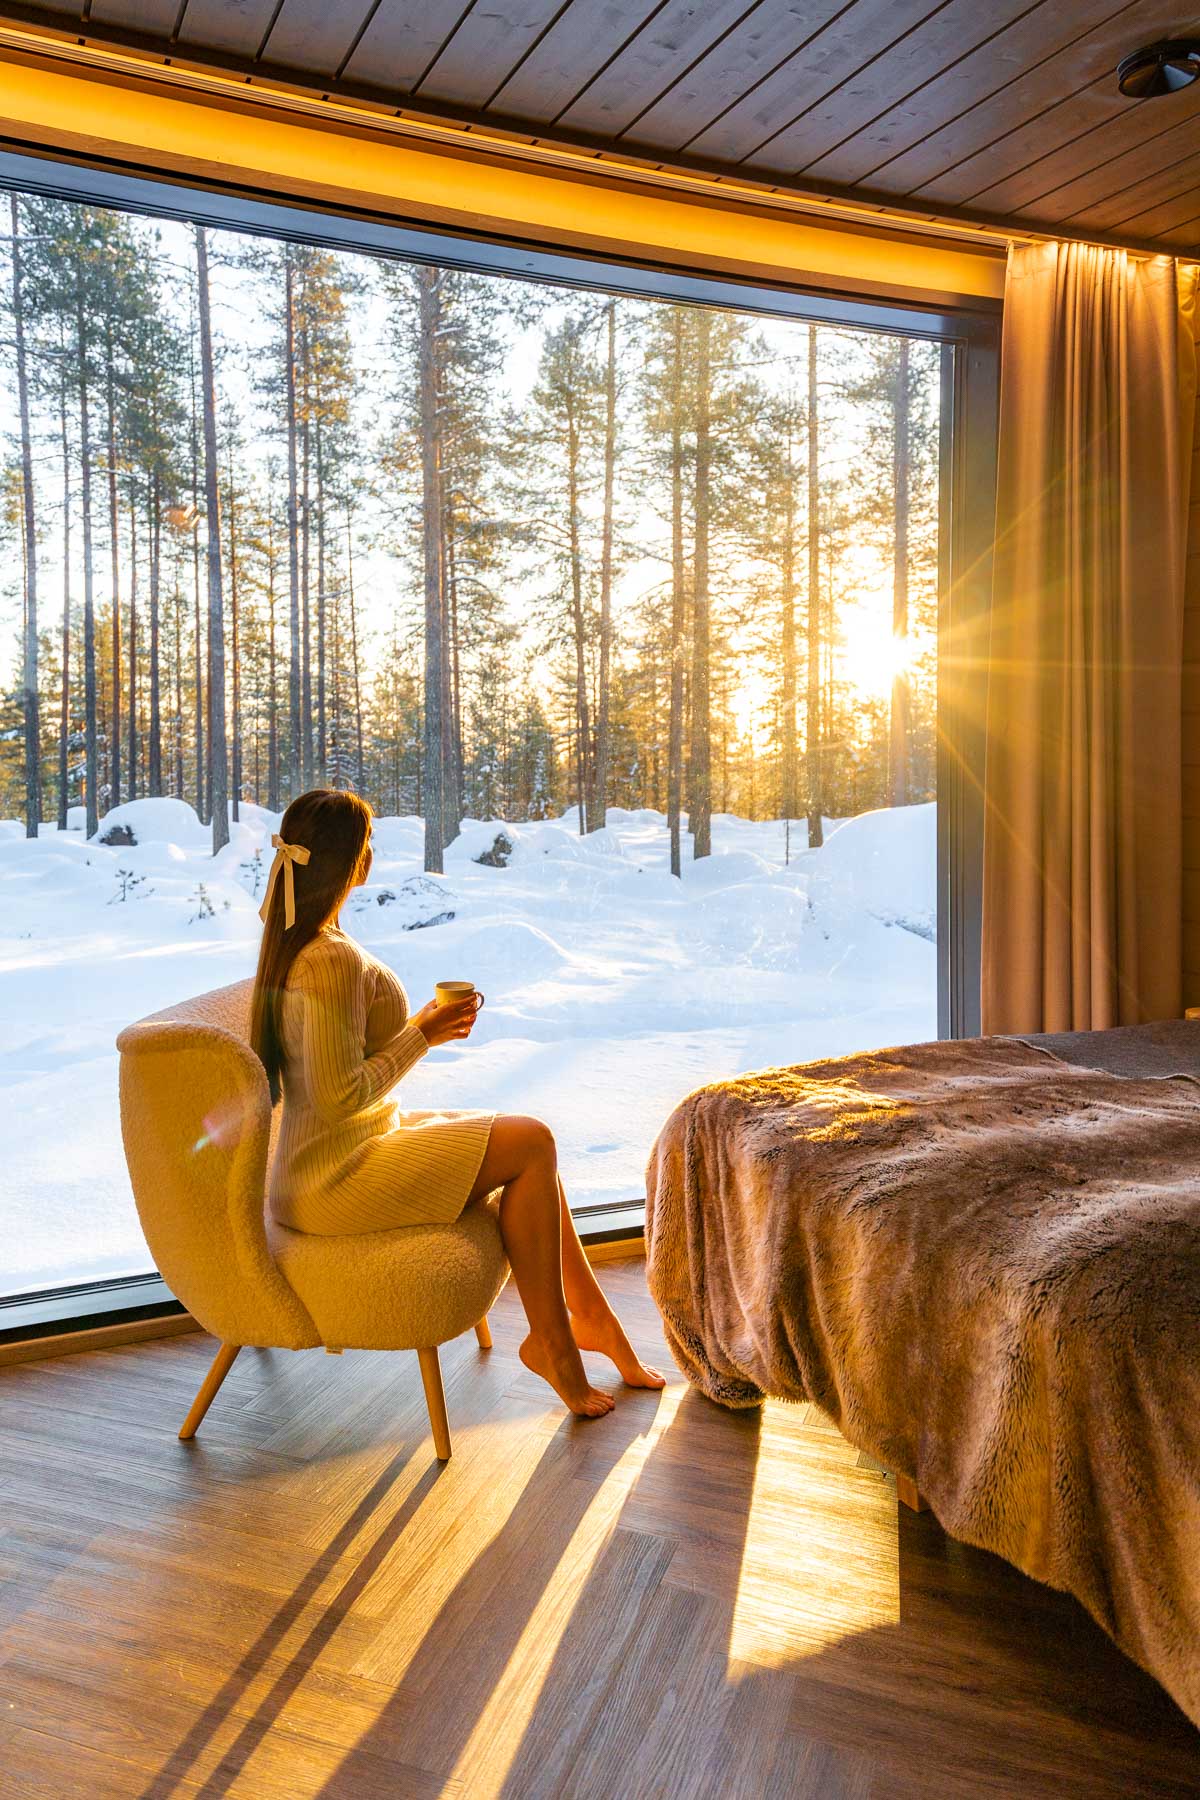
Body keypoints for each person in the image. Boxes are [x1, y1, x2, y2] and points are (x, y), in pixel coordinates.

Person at [249, 787, 664, 1418]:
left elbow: (331, 1071)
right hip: (335, 1179)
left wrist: (422, 1025)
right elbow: (338, 1097)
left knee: (530, 1149)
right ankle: (554, 1344)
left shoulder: (302, 941)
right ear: (356, 862)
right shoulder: (329, 959)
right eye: (369, 844)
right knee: (532, 1141)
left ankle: (591, 1322)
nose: (372, 855)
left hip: (330, 1160)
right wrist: (424, 1035)